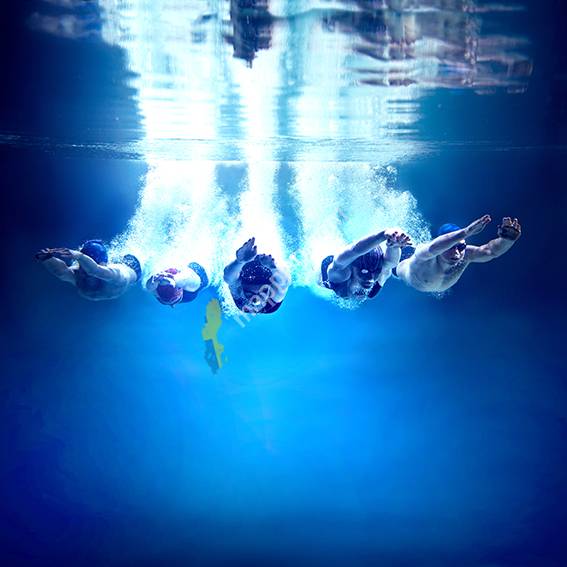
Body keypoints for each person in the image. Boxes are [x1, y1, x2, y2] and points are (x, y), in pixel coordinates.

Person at [394, 215, 522, 292]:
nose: (456, 252)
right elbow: (433, 247)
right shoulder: (425, 254)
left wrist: (507, 240)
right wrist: (466, 232)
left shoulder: (466, 255)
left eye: (461, 247)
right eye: (450, 247)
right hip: (399, 269)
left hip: (430, 288)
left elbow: (490, 251)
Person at [321, 227, 412, 300]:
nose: (370, 278)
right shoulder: (341, 273)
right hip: (329, 268)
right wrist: (383, 235)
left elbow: (391, 263)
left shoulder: (382, 272)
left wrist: (394, 246)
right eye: (364, 271)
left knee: (377, 284)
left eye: (375, 271)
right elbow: (354, 251)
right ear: (352, 267)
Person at [35, 239, 142, 301]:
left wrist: (79, 256)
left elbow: (94, 271)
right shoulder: (78, 273)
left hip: (134, 267)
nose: (85, 272)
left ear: (103, 264)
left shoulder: (114, 274)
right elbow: (61, 272)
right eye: (82, 266)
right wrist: (46, 258)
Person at [223, 237, 290, 314]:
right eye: (262, 292)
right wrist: (273, 268)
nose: (256, 291)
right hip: (268, 284)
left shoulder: (239, 294)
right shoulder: (273, 299)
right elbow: (285, 281)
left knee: (234, 272)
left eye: (250, 293)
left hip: (247, 278)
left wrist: (239, 261)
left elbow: (228, 277)